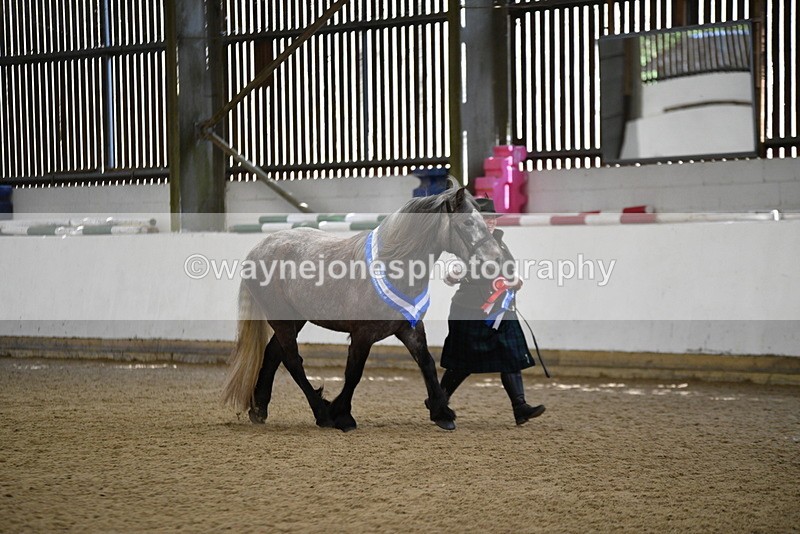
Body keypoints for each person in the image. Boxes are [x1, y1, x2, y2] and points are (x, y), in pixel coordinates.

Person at [438, 198, 545, 425]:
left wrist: (516, 281)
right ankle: (439, 400)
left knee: (511, 358)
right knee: (461, 363)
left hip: (501, 309)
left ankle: (520, 407)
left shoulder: (501, 243)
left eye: (493, 218)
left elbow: (509, 273)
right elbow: (452, 271)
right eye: (486, 218)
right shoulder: (467, 242)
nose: (491, 222)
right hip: (469, 310)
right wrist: (452, 274)